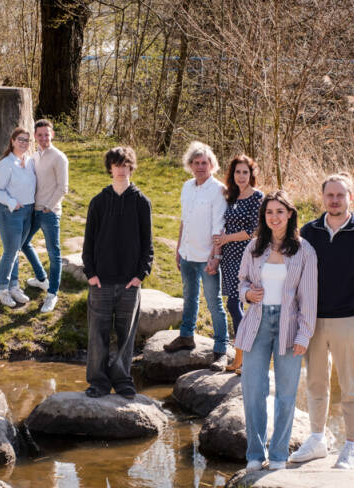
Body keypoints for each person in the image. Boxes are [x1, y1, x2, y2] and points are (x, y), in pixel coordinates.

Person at [289, 173, 354, 470]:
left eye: (340, 195)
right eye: (329, 195)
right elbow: (295, 273)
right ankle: (317, 439)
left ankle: (351, 447)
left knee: (350, 387)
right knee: (316, 383)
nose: (334, 200)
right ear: (323, 198)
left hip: (348, 322)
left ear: (350, 198)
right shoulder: (308, 232)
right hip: (313, 321)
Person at [236, 190, 317, 471]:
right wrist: (247, 294)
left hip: (289, 325)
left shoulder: (304, 250)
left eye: (279, 212)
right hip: (256, 324)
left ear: (290, 214)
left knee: (285, 394)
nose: (274, 217)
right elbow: (242, 282)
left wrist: (304, 335)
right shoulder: (254, 247)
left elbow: (309, 297)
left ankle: (279, 454)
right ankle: (255, 455)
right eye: (269, 212)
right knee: (253, 390)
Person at [82, 146, 153, 399]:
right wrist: (90, 273)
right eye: (116, 165)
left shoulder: (141, 202)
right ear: (110, 168)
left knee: (126, 336)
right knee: (97, 335)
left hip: (129, 283)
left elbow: (148, 245)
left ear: (131, 167)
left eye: (125, 165)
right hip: (100, 281)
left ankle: (123, 380)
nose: (121, 169)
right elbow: (88, 242)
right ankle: (98, 382)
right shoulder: (98, 202)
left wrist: (140, 275)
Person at [164, 141, 229, 361]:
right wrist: (178, 249)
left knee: (214, 303)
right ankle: (186, 336)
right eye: (196, 163)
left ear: (212, 165)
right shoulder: (187, 187)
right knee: (189, 297)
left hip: (207, 257)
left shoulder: (218, 190)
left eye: (205, 163)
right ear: (190, 165)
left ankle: (221, 347)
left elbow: (218, 226)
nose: (200, 166)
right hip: (187, 254)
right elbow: (185, 220)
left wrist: (215, 257)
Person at [211, 155, 263, 372]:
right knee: (235, 304)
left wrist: (226, 239)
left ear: (251, 175)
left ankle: (246, 356)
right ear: (232, 175)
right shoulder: (231, 197)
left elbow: (253, 231)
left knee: (237, 303)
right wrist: (218, 250)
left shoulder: (257, 197)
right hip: (230, 257)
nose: (241, 176)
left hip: (248, 256)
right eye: (237, 172)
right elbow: (223, 225)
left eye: (245, 172)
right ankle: (241, 358)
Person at [16, 119, 69, 313]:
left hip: (49, 212)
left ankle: (52, 293)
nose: (43, 138)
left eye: (47, 134)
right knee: (23, 243)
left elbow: (63, 187)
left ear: (52, 134)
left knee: (54, 253)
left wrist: (48, 207)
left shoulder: (59, 157)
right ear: (35, 137)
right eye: (40, 135)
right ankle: (41, 279)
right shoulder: (35, 156)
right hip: (34, 210)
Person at [0, 127, 36, 308]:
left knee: (15, 250)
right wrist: (12, 202)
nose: (24, 143)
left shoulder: (29, 162)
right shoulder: (5, 164)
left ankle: (14, 286)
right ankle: (2, 289)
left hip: (28, 211)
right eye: (20, 139)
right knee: (11, 251)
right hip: (10, 212)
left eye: (26, 140)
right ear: (12, 141)